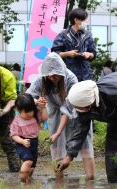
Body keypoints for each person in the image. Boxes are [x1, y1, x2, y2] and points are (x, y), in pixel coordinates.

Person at [26, 52, 95, 180]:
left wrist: (58, 133)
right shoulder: (41, 79)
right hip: (55, 111)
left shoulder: (70, 79)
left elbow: (67, 109)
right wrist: (37, 101)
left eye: (57, 75)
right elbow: (27, 96)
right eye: (50, 76)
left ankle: (90, 179)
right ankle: (59, 179)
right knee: (56, 145)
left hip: (74, 110)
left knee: (84, 143)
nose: (54, 78)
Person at [10, 93, 48, 183]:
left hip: (34, 143)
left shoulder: (35, 114)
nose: (30, 114)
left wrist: (43, 108)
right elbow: (14, 135)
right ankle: (22, 180)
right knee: (28, 161)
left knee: (32, 167)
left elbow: (45, 117)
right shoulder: (17, 120)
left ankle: (28, 182)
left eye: (31, 111)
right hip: (22, 143)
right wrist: (22, 141)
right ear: (19, 111)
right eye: (26, 112)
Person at [51, 8, 96, 82]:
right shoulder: (63, 35)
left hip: (86, 76)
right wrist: (68, 53)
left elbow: (93, 53)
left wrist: (89, 54)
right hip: (69, 75)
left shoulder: (88, 35)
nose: (86, 22)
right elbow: (54, 53)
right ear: (76, 20)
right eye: (84, 20)